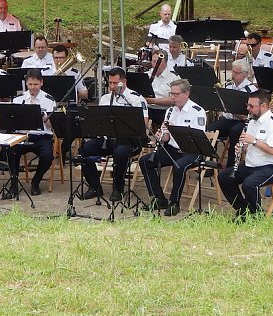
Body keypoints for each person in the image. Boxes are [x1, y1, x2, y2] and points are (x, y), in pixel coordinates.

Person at [79, 68, 150, 202]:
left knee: (120, 152)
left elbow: (144, 122)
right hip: (109, 139)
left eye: (115, 83)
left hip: (129, 141)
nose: (112, 86)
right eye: (110, 83)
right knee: (85, 149)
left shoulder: (136, 98)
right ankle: (95, 187)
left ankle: (118, 188)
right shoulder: (105, 98)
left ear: (124, 82)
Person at [138, 78, 206, 216]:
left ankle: (174, 203)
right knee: (145, 161)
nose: (172, 97)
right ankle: (159, 198)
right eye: (171, 94)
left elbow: (197, 138)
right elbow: (167, 138)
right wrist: (161, 135)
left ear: (186, 94)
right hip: (173, 149)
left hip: (191, 151)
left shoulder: (197, 111)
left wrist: (175, 129)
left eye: (176, 94)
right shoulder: (170, 110)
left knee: (178, 166)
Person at [218, 89, 273, 217]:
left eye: (251, 106)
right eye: (248, 105)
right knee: (224, 177)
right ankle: (244, 210)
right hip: (252, 164)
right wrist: (242, 147)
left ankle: (256, 215)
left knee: (249, 184)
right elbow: (248, 146)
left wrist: (254, 141)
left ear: (263, 106)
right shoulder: (252, 122)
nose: (248, 109)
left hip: (272, 166)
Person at [6, 69, 57, 196]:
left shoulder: (49, 100)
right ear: (26, 83)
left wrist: (44, 117)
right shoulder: (18, 99)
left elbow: (52, 126)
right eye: (30, 84)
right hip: (21, 135)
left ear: (41, 83)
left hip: (41, 136)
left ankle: (36, 182)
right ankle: (14, 183)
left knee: (47, 156)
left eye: (36, 84)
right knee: (10, 151)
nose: (33, 87)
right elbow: (11, 121)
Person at [207, 59, 255, 168]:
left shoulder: (251, 90)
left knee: (235, 132)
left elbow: (252, 112)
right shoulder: (228, 86)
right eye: (233, 71)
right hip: (228, 119)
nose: (233, 75)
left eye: (237, 73)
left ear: (246, 74)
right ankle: (210, 164)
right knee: (211, 129)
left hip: (242, 121)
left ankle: (231, 167)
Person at [145, 49, 175, 131]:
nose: (156, 64)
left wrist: (151, 100)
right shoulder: (146, 75)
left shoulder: (174, 78)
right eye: (154, 61)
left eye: (158, 62)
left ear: (165, 63)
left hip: (163, 111)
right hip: (147, 110)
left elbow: (173, 100)